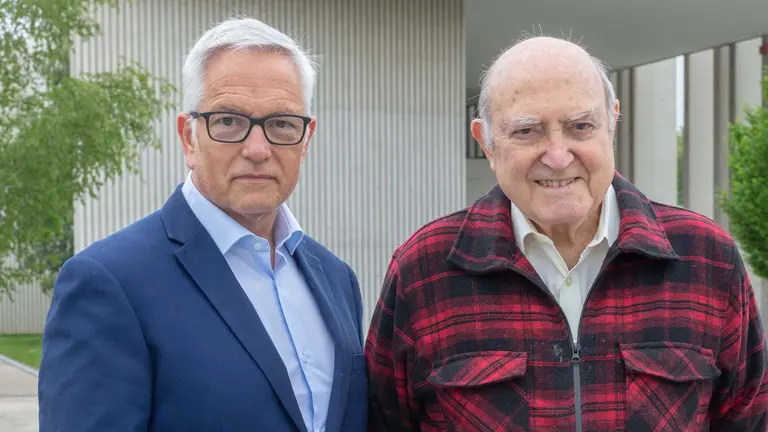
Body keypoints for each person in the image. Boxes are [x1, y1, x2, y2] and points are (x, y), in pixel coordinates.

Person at [365, 36, 768, 431]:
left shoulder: (705, 257)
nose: (558, 156)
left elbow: (749, 419)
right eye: (527, 131)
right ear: (486, 143)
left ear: (611, 123)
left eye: (580, 126)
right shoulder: (425, 270)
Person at [38, 18, 367, 432]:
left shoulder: (336, 278)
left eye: (282, 123)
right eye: (229, 121)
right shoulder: (109, 283)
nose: (258, 149)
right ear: (189, 138)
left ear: (306, 140)